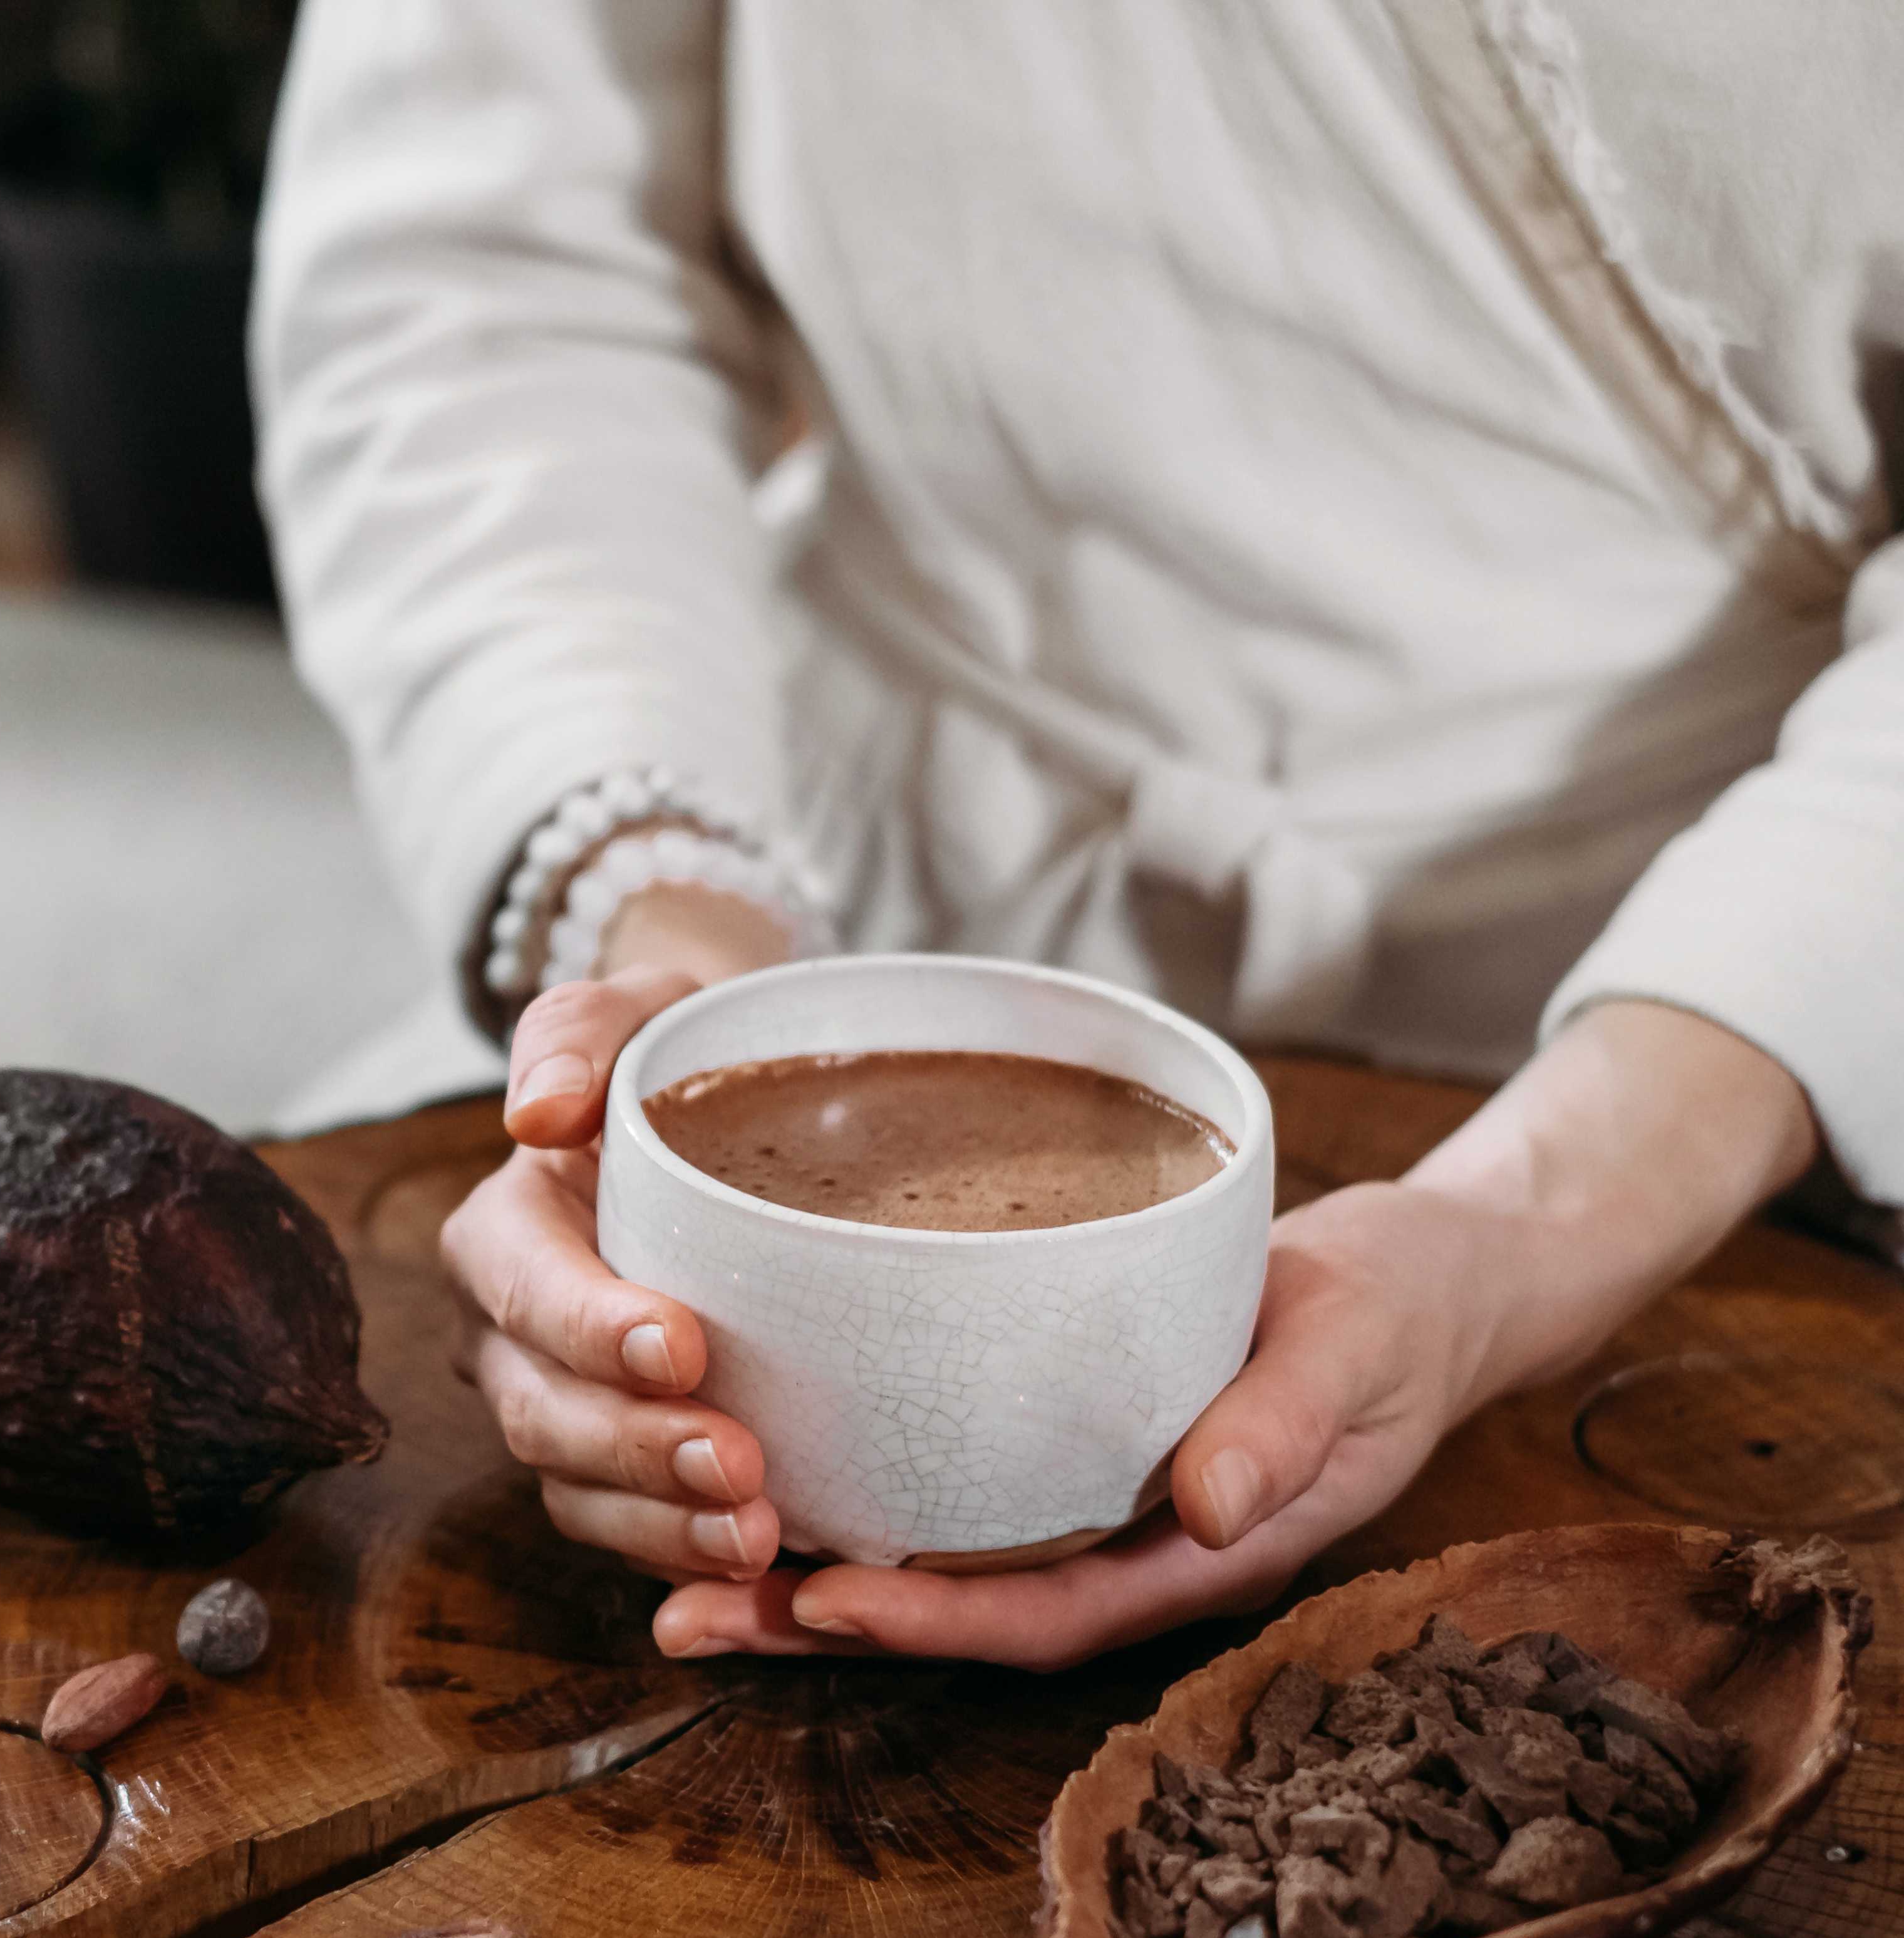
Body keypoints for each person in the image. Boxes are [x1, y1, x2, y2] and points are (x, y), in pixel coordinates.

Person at [254, 3, 1904, 1672]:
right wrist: (672, 934)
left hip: (1733, 1003)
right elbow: (493, 271)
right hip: (832, 856)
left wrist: (1530, 1221)